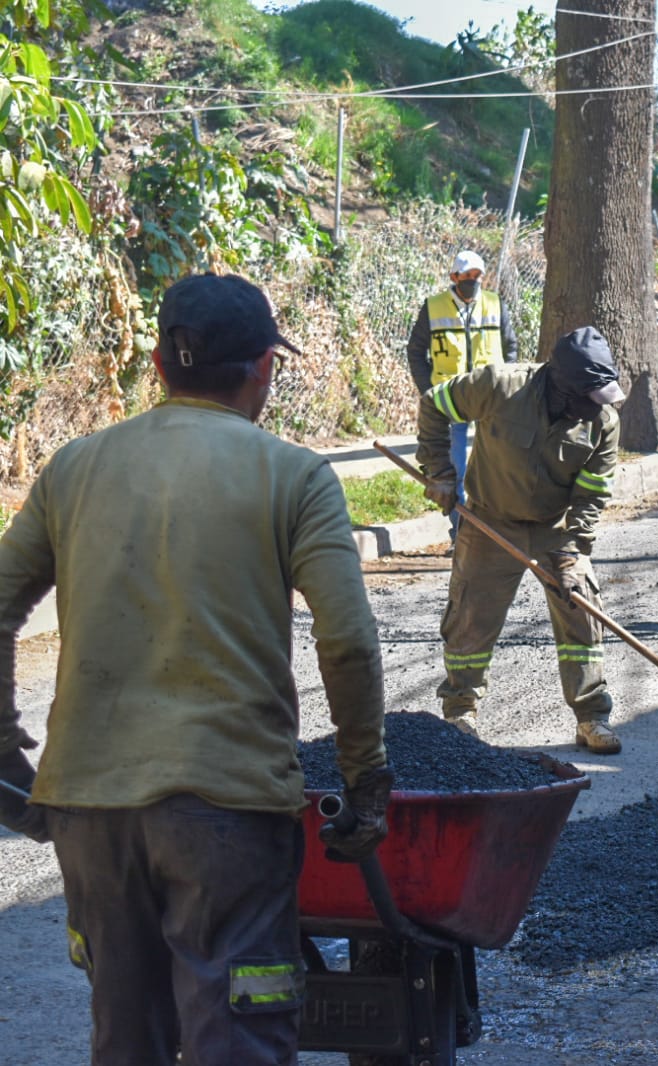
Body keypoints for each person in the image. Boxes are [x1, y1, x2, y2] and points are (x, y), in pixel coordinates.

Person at [0, 273, 392, 1064]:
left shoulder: (73, 469)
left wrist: (6, 749)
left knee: (127, 1036)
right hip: (229, 813)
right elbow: (346, 639)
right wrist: (366, 778)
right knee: (237, 1035)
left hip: (90, 811)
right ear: (265, 369)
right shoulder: (294, 476)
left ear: (156, 362)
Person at [418, 325, 624, 752]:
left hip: (556, 530)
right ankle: (461, 712)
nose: (596, 408)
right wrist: (439, 472)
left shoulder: (603, 421)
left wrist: (572, 552)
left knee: (582, 609)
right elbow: (434, 405)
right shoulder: (499, 386)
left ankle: (591, 716)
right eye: (590, 398)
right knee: (470, 618)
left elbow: (592, 493)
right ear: (564, 387)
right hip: (490, 522)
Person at [406, 249, 519, 540]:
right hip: (450, 398)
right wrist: (428, 391)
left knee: (493, 465)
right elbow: (416, 351)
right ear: (454, 277)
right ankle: (462, 530)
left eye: (478, 276)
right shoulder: (433, 307)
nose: (474, 281)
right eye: (467, 276)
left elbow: (511, 346)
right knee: (453, 467)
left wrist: (505, 381)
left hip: (489, 398)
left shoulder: (495, 304)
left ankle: (493, 526)